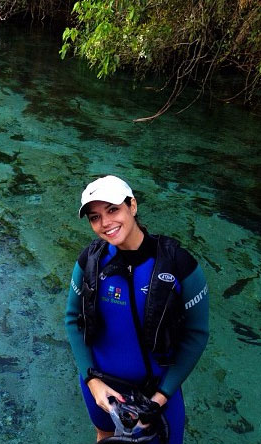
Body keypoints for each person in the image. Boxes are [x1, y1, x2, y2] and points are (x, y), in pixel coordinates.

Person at [65, 175, 209, 443]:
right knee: (105, 434)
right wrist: (91, 381)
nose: (105, 223)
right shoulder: (89, 261)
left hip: (158, 394)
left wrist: (160, 398)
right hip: (100, 388)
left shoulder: (179, 264)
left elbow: (197, 334)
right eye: (95, 217)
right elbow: (73, 320)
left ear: (132, 205)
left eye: (113, 209)